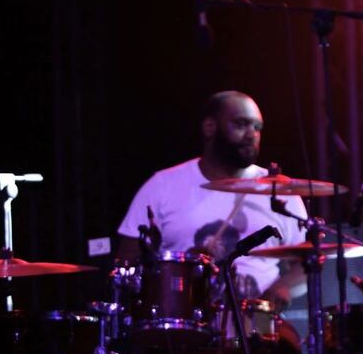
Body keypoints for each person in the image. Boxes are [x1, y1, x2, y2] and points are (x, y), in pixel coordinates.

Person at [115, 90, 306, 314]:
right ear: (210, 127)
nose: (252, 134)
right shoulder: (163, 186)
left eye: (257, 127)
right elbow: (126, 261)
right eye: (241, 124)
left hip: (259, 327)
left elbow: (307, 263)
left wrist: (281, 289)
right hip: (184, 325)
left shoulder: (280, 190)